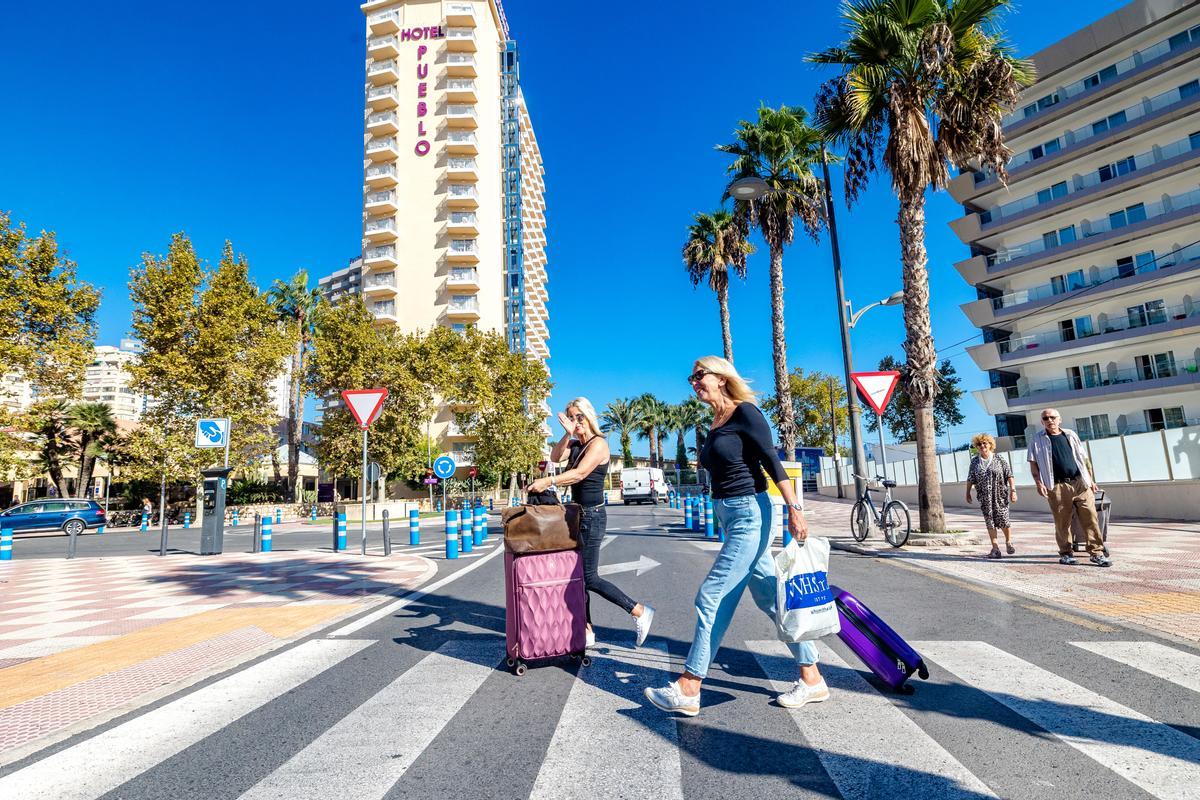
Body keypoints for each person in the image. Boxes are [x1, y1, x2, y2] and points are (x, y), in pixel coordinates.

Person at [645, 356, 826, 717]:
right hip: (729, 515)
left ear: (721, 376)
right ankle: (813, 678)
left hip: (750, 513)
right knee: (771, 599)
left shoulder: (746, 413)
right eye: (691, 377)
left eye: (699, 375)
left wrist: (795, 509)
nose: (694, 382)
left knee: (711, 596)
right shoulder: (715, 423)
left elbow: (771, 462)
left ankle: (690, 685)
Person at [528, 397, 655, 649]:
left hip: (592, 517)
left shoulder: (599, 445)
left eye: (579, 417)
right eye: (571, 417)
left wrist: (548, 482)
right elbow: (555, 457)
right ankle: (586, 630)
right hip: (575, 516)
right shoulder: (574, 444)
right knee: (576, 578)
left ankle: (639, 610)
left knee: (588, 577)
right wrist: (566, 434)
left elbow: (580, 473)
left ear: (588, 416)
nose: (576, 422)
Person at [1027, 408, 1111, 567]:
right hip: (1057, 486)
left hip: (1080, 483)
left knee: (1090, 517)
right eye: (1046, 418)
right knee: (1062, 522)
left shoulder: (1071, 435)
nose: (1049, 420)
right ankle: (1066, 553)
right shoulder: (1037, 440)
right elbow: (1034, 464)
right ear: (1042, 422)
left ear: (1059, 419)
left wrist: (1091, 480)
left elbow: (1084, 459)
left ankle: (1097, 552)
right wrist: (1039, 483)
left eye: (1053, 417)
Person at [965, 433, 1017, 559]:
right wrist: (967, 492)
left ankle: (1008, 542)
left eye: (985, 443)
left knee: (1003, 519)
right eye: (979, 444)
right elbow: (971, 478)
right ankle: (995, 548)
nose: (982, 446)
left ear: (990, 445)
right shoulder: (975, 461)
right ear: (976, 447)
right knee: (990, 521)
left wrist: (1013, 490)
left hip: (1000, 495)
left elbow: (1009, 475)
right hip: (984, 496)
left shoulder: (999, 458)